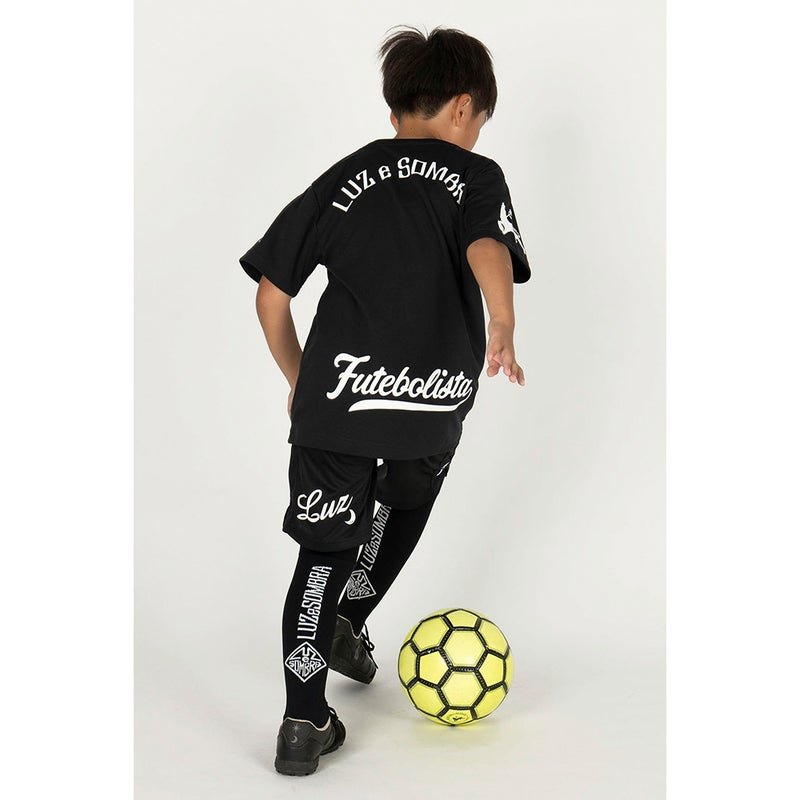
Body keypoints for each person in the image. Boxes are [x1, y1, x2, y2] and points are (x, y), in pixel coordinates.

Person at [239, 24, 531, 776]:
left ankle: (302, 723)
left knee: (320, 555)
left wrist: (301, 381)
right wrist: (501, 318)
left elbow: (272, 295)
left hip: (337, 402)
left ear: (396, 106)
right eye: (480, 120)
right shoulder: (477, 175)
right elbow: (486, 245)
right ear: (464, 108)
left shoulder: (346, 175)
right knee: (405, 501)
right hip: (429, 401)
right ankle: (352, 615)